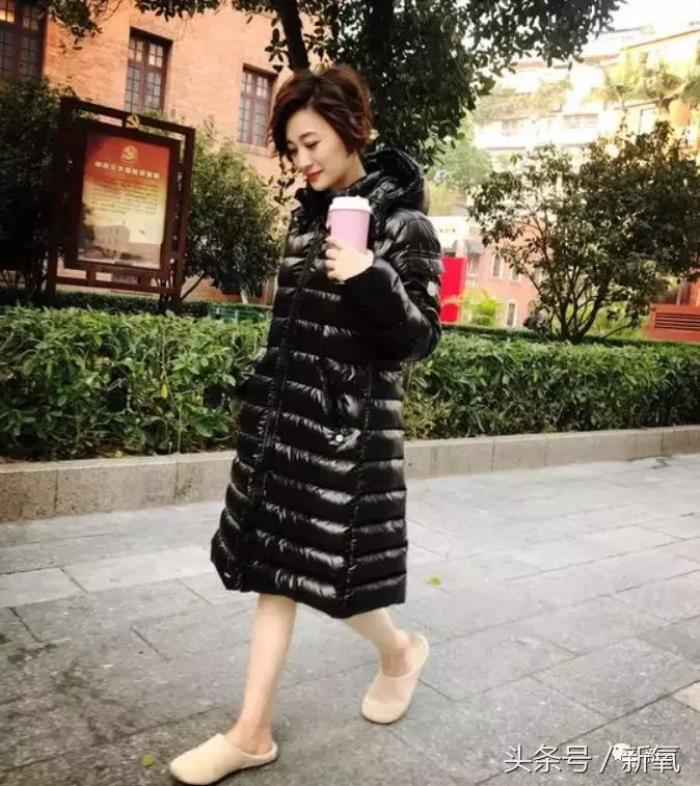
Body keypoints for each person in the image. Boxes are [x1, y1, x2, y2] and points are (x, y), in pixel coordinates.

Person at [169, 64, 444, 785]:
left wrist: (370, 274)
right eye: (293, 149)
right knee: (277, 574)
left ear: (353, 130)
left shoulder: (406, 225)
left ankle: (399, 654)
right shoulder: (306, 219)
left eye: (312, 143)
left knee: (337, 580)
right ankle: (252, 733)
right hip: (286, 422)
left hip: (347, 435)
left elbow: (418, 339)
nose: (303, 161)